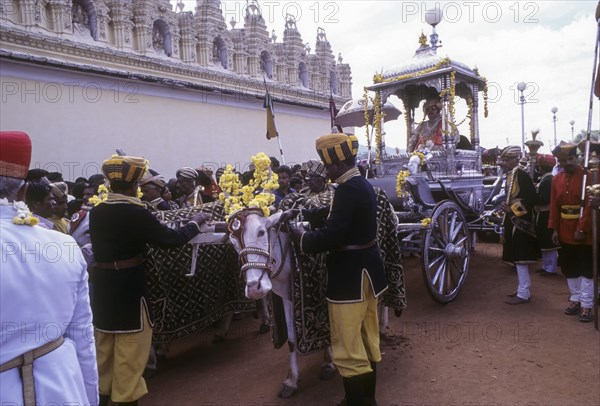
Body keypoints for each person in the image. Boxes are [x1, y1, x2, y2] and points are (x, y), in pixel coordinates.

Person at [89, 154, 210, 405]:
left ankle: (102, 395)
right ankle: (126, 398)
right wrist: (195, 224)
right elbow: (170, 240)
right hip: (129, 286)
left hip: (102, 287)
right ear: (134, 186)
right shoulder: (136, 212)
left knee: (104, 344)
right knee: (130, 347)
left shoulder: (97, 211)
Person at [288, 132, 388, 406]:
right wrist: (315, 217)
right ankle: (368, 398)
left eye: (328, 166)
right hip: (368, 273)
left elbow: (334, 235)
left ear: (340, 163)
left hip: (349, 278)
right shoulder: (360, 184)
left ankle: (355, 402)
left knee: (346, 345)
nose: (327, 171)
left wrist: (303, 238)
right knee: (367, 338)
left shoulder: (346, 189)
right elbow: (343, 219)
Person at [0, 131, 98, 404]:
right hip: (62, 390)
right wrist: (89, 397)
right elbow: (83, 339)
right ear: (23, 191)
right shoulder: (64, 247)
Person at [548, 142, 594, 322]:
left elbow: (590, 206)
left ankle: (586, 305)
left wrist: (582, 228)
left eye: (570, 158)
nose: (567, 163)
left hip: (584, 230)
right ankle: (575, 299)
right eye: (562, 160)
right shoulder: (556, 179)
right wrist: (554, 228)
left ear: (578, 157)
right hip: (564, 229)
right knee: (569, 268)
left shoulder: (589, 176)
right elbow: (554, 205)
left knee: (585, 269)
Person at [497, 146, 539, 304]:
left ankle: (524, 293)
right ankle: (523, 288)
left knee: (521, 256)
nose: (503, 163)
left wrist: (512, 209)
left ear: (515, 160)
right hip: (512, 219)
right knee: (516, 255)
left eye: (507, 160)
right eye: (504, 160)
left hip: (521, 222)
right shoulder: (511, 174)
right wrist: (506, 207)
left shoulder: (520, 174)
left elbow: (531, 199)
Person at [533, 154, 560, 276]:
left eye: (539, 165)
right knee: (544, 242)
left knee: (548, 243)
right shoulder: (546, 178)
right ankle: (546, 266)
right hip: (543, 213)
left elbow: (544, 199)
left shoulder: (548, 180)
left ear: (542, 167)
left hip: (546, 213)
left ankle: (550, 268)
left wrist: (531, 196)